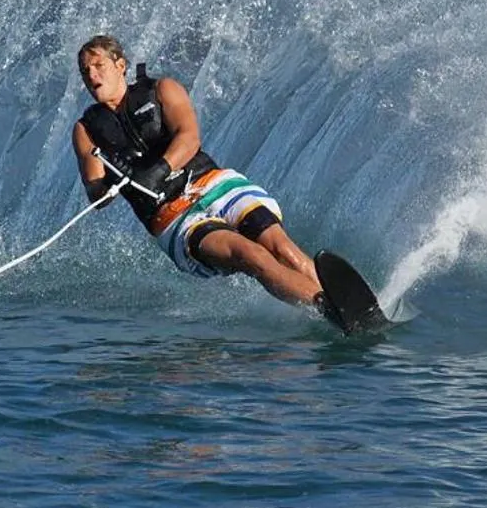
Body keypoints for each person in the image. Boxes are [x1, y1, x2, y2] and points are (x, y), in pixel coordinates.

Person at [71, 33, 333, 318]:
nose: (91, 75)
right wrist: (112, 177)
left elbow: (189, 137)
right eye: (85, 71)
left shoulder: (162, 89)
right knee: (251, 255)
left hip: (213, 184)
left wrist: (157, 170)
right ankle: (329, 310)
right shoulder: (86, 130)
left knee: (281, 247)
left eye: (99, 66)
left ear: (120, 65)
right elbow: (97, 197)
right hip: (173, 217)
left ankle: (343, 300)